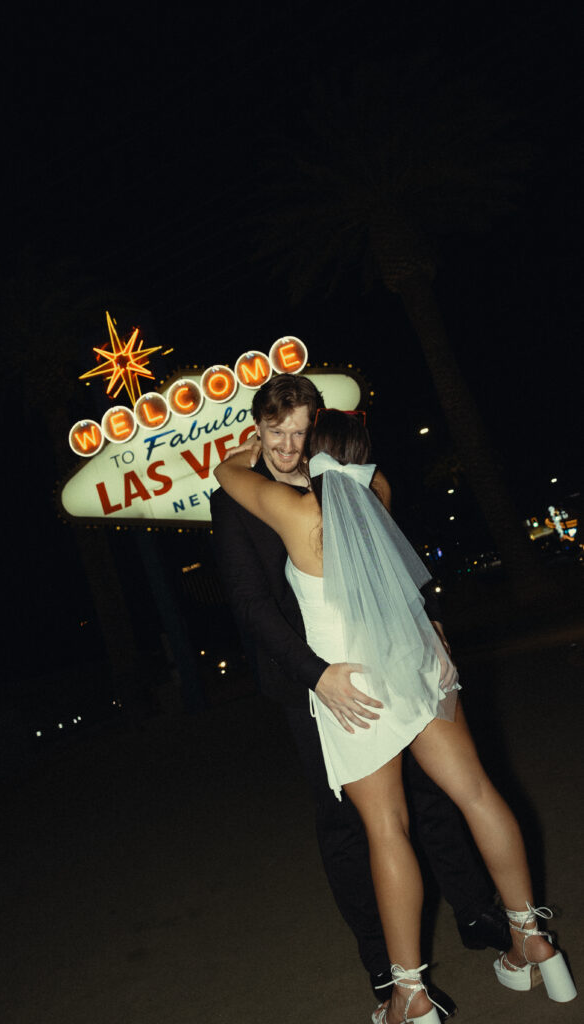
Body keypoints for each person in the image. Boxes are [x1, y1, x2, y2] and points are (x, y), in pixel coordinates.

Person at [213, 401, 576, 1023]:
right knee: (480, 796)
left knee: (387, 828)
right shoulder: (377, 490)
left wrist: (246, 453)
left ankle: (410, 996)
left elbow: (224, 474)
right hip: (415, 666)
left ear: (311, 450)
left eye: (300, 436)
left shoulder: (297, 513)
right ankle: (532, 939)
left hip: (356, 688)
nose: (290, 444)